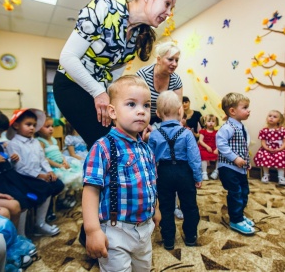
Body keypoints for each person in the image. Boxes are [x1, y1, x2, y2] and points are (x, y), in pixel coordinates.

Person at [53, 0, 177, 150]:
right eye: (167, 3)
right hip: (71, 84)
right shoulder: (102, 8)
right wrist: (98, 92)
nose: (169, 12)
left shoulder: (138, 36)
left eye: (172, 8)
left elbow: (114, 75)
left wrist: (128, 114)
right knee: (104, 144)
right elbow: (67, 57)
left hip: (100, 92)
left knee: (122, 137)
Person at [82, 75, 160, 271]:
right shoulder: (103, 147)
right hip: (116, 230)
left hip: (145, 228)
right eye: (132, 104)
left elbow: (151, 182)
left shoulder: (146, 149)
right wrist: (92, 230)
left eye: (146, 106)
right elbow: (91, 190)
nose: (141, 111)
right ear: (112, 112)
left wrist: (156, 209)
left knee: (143, 267)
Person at [148, 90, 202, 250]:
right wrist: (198, 176)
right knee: (189, 205)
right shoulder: (187, 133)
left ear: (157, 113)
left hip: (163, 173)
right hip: (184, 172)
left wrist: (151, 180)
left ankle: (168, 239)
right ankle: (191, 236)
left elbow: (150, 160)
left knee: (166, 206)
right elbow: (194, 158)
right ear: (180, 111)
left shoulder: (154, 135)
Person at [6, 108, 64, 236]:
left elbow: (42, 159)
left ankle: (42, 218)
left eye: (33, 125)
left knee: (57, 184)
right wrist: (40, 176)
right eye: (28, 125)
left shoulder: (36, 142)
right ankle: (39, 224)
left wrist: (49, 171)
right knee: (45, 187)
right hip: (23, 177)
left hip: (38, 174)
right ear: (16, 125)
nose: (32, 128)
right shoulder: (13, 144)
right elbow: (20, 167)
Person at [216, 92, 255, 235]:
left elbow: (243, 146)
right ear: (232, 111)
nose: (248, 110)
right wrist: (234, 158)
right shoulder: (227, 128)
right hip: (228, 167)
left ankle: (239, 215)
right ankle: (235, 220)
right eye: (245, 107)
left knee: (244, 191)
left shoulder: (241, 127)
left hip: (240, 168)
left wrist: (246, 162)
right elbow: (221, 144)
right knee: (236, 192)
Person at [36, 116, 81, 218]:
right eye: (47, 126)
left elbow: (59, 152)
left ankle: (64, 197)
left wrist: (64, 161)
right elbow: (44, 159)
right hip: (53, 167)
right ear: (38, 129)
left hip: (61, 163)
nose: (51, 128)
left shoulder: (53, 139)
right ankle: (61, 200)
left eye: (51, 126)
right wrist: (59, 165)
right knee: (64, 180)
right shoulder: (40, 142)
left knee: (75, 175)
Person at [136, 41, 182, 126]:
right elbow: (137, 103)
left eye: (177, 60)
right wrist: (145, 124)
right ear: (159, 59)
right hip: (142, 115)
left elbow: (179, 107)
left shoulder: (176, 80)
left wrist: (177, 124)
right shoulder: (143, 74)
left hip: (164, 119)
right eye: (170, 59)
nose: (175, 64)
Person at [253, 110, 285, 185]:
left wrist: (279, 149)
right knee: (264, 155)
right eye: (270, 116)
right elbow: (263, 142)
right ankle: (266, 175)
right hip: (267, 148)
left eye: (274, 117)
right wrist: (267, 148)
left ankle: (281, 177)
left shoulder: (282, 130)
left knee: (281, 156)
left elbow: (284, 142)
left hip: (279, 149)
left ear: (279, 120)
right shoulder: (264, 130)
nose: (271, 118)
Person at [199, 114, 219, 181]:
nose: (211, 123)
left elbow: (219, 142)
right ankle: (204, 172)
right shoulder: (203, 131)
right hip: (204, 147)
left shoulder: (217, 132)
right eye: (209, 121)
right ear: (205, 122)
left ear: (215, 122)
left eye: (213, 121)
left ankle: (216, 171)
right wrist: (207, 147)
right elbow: (200, 141)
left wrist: (217, 149)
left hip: (214, 148)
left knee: (220, 155)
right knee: (203, 155)